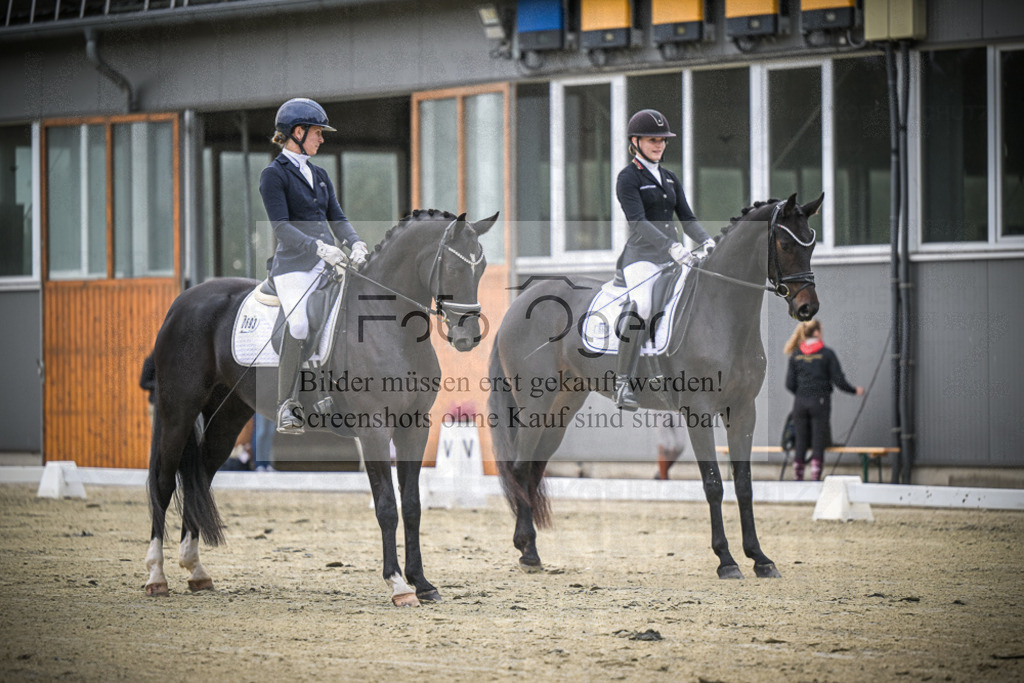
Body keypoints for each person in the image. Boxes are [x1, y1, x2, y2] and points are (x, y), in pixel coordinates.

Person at [260, 97, 369, 434]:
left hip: (326, 265)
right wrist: (319, 248)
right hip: (293, 268)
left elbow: (337, 216)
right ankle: (286, 406)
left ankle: (336, 394)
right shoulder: (273, 176)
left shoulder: (319, 174)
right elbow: (281, 229)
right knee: (298, 326)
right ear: (297, 132)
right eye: (317, 132)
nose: (322, 138)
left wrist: (355, 242)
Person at [613, 109, 716, 411]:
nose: (659, 145)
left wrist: (708, 242)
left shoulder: (669, 178)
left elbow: (687, 218)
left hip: (674, 258)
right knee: (643, 305)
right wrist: (672, 247)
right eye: (652, 140)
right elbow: (638, 222)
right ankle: (622, 382)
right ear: (636, 142)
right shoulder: (628, 178)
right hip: (641, 258)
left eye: (662, 140)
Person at [784, 320, 864, 481]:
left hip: (800, 402)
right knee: (818, 439)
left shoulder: (796, 354)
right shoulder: (827, 354)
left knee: (800, 440)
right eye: (821, 330)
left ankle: (798, 477)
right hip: (819, 402)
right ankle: (815, 477)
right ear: (816, 333)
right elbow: (838, 380)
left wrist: (801, 393)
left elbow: (789, 384)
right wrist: (854, 390)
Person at [139, 352, 157, 431]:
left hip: (168, 406)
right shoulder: (151, 360)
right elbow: (143, 383)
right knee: (156, 436)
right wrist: (157, 385)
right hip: (155, 404)